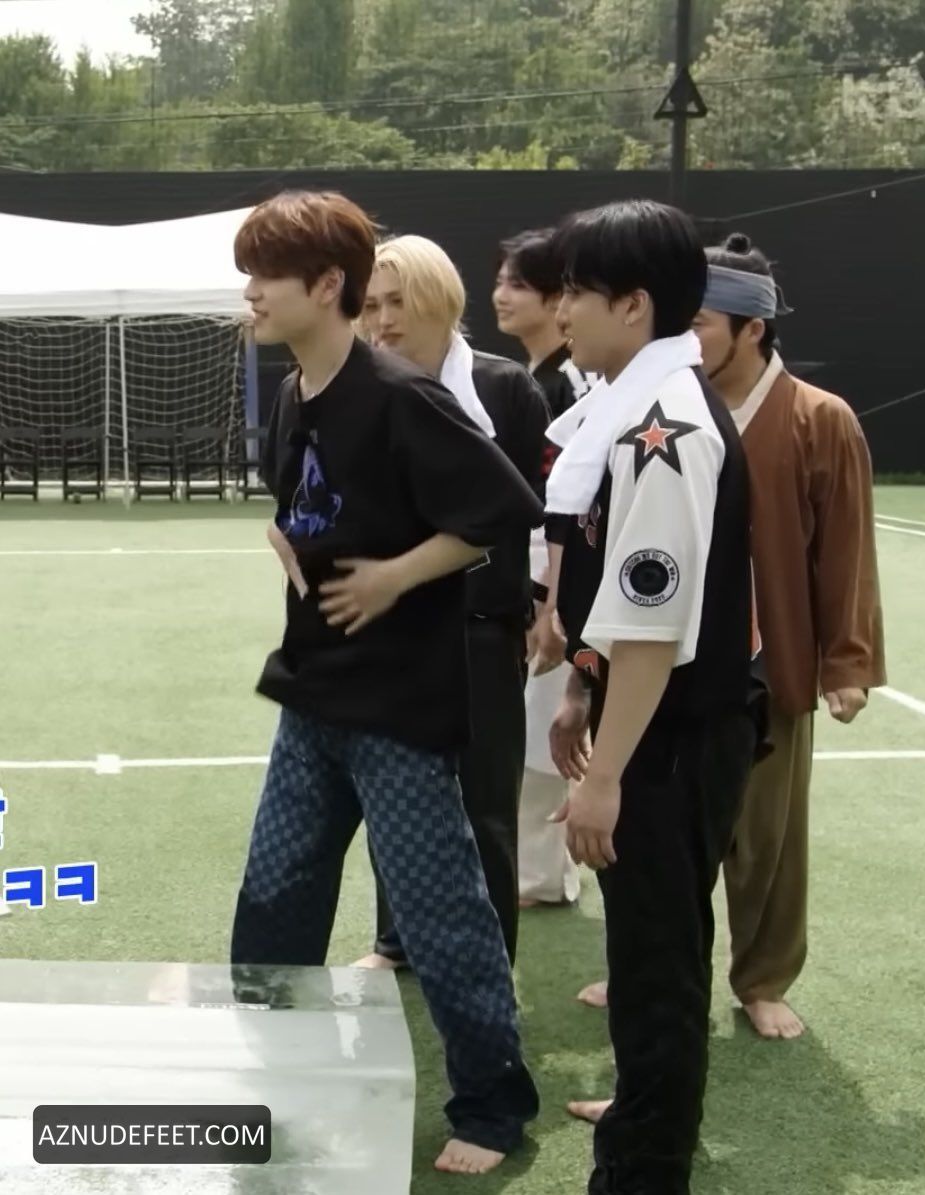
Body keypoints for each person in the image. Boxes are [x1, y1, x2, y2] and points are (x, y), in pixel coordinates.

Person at [228, 191, 540, 1176]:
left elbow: (501, 509)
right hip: (312, 691)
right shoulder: (293, 394)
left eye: (266, 276)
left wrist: (396, 576)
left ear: (327, 285)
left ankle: (492, 1106)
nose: (250, 293)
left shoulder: (403, 395)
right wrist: (293, 539)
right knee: (273, 895)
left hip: (399, 704)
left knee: (440, 912)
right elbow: (312, 506)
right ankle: (267, 1071)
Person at [544, 199, 765, 1195]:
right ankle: (644, 1116)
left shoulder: (663, 426)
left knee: (658, 961)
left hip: (670, 737)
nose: (562, 313)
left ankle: (643, 1167)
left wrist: (606, 777)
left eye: (576, 293)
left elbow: (648, 624)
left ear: (632, 305)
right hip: (658, 727)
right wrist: (580, 695)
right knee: (651, 953)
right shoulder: (641, 408)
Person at [696, 233, 886, 1038]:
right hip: (673, 657)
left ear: (752, 329)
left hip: (768, 660)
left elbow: (844, 549)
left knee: (768, 837)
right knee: (664, 828)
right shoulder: (671, 413)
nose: (685, 338)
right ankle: (653, 960)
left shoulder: (819, 418)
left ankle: (763, 975)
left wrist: (846, 662)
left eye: (700, 323)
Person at [355, 233, 550, 966]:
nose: (384, 320)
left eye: (399, 302)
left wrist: (544, 605)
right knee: (392, 797)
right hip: (388, 631)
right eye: (371, 305)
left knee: (484, 808)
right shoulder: (358, 388)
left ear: (441, 301)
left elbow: (540, 512)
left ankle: (487, 958)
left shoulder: (506, 389)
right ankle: (396, 941)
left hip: (480, 630)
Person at [493, 227, 592, 908]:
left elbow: (569, 504)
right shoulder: (533, 375)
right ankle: (541, 868)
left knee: (543, 726)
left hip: (555, 574)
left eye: (518, 284)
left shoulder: (573, 381)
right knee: (529, 727)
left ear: (560, 297)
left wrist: (552, 602)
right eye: (501, 281)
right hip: (531, 572)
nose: (501, 294)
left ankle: (543, 874)